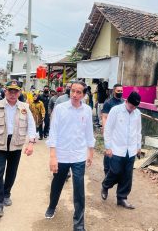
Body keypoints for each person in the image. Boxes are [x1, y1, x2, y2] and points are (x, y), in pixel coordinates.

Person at [0, 80, 36, 218]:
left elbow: (32, 126)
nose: (12, 94)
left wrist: (30, 144)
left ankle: (6, 193)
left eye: (15, 91)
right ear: (5, 91)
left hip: (15, 143)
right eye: (10, 91)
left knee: (11, 172)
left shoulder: (24, 107)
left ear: (19, 92)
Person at [45, 81, 95, 231]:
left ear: (84, 95)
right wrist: (53, 156)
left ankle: (79, 224)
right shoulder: (60, 109)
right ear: (69, 91)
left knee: (79, 189)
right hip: (62, 154)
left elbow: (89, 132)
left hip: (79, 155)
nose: (75, 95)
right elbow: (53, 132)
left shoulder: (87, 110)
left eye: (79, 92)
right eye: (73, 91)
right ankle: (52, 206)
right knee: (57, 183)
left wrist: (90, 152)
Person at [101, 91, 141, 209]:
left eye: (135, 107)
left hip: (131, 148)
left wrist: (138, 146)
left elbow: (138, 131)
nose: (132, 109)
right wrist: (108, 147)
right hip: (117, 147)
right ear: (126, 101)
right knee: (115, 171)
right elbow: (108, 129)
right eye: (131, 106)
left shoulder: (137, 113)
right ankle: (105, 185)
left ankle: (122, 198)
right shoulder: (116, 111)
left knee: (127, 175)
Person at [101, 84, 124, 175]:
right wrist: (105, 129)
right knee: (108, 150)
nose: (120, 93)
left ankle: (116, 170)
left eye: (121, 91)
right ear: (114, 91)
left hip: (119, 131)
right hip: (110, 130)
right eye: (118, 91)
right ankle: (106, 169)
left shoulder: (123, 102)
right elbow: (104, 117)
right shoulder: (108, 103)